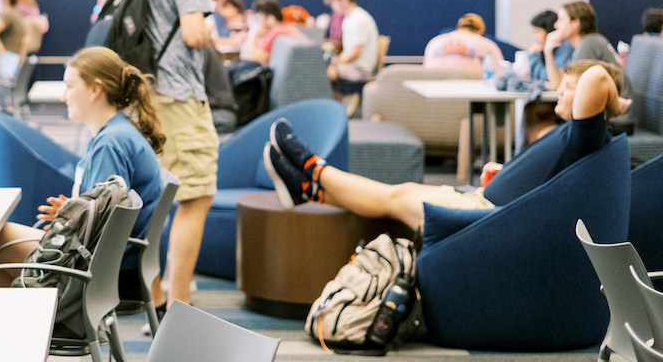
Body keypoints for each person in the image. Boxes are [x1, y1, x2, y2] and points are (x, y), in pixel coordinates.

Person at [263, 60, 629, 231]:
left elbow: (597, 76)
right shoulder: (571, 134)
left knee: (396, 196)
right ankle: (311, 189)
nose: (558, 91)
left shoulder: (589, 135)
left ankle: (312, 169)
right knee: (396, 194)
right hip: (481, 200)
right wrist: (503, 175)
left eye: (569, 87)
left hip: (486, 216)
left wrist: (614, 102)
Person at [0, 47, 164, 305]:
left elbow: (103, 228)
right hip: (113, 266)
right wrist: (72, 212)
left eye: (69, 86)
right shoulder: (116, 133)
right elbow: (106, 212)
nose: (63, 95)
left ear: (95, 90)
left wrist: (73, 219)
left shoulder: (109, 144)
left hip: (98, 273)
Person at [130, 0, 220, 313]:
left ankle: (156, 291)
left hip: (145, 93)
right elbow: (193, 33)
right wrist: (209, 22)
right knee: (197, 193)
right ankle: (177, 303)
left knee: (159, 195)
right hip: (178, 92)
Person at [544, 1, 620, 90]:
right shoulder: (588, 42)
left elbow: (562, 87)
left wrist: (547, 51)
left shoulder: (588, 44)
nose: (555, 25)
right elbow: (557, 84)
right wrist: (548, 52)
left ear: (576, 23)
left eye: (561, 19)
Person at [326, 0, 379, 85]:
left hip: (362, 70)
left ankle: (337, 100)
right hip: (354, 65)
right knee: (326, 65)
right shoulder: (349, 18)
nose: (333, 7)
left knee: (326, 71)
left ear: (344, 0)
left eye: (334, 2)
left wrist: (338, 63)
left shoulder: (358, 19)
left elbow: (355, 53)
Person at [423, 13, 504, 75]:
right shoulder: (487, 45)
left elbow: (425, 71)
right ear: (481, 30)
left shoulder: (435, 42)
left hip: (434, 93)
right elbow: (500, 76)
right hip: (471, 94)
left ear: (458, 26)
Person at [240, 0, 305, 65]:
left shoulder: (277, 32)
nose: (258, 23)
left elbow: (257, 57)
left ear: (270, 19)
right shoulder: (287, 28)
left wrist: (254, 36)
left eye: (259, 19)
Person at [526, 9, 574, 82]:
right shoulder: (548, 49)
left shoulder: (565, 46)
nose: (534, 38)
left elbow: (547, 77)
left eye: (537, 32)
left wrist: (532, 55)